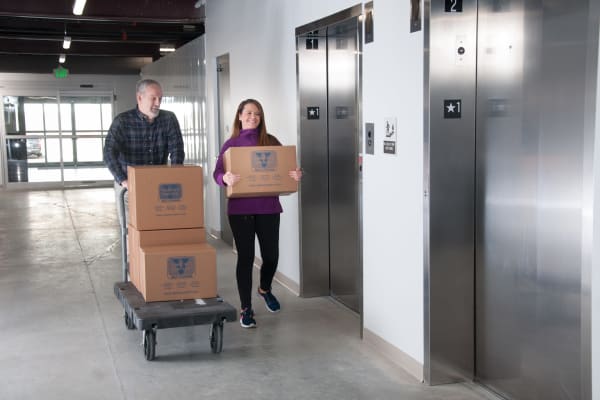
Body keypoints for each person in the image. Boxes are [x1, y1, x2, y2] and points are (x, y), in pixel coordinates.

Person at [213, 98, 302, 328]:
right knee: (246, 258)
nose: (253, 117)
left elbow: (286, 167)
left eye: (258, 114)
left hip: (268, 208)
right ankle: (246, 308)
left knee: (271, 255)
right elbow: (217, 172)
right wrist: (225, 178)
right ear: (240, 116)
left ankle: (264, 289)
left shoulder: (270, 142)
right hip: (240, 210)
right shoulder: (231, 145)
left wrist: (295, 174)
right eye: (249, 113)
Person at [103, 78, 185, 225]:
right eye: (153, 98)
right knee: (131, 230)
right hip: (129, 186)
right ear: (139, 97)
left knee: (158, 227)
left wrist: (175, 175)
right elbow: (109, 152)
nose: (158, 103)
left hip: (159, 185)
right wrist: (123, 180)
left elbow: (177, 149)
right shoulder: (122, 121)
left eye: (160, 98)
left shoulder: (169, 119)